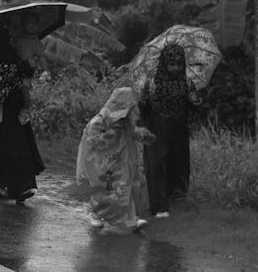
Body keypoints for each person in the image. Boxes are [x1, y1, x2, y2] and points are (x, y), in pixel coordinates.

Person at [0, 14, 45, 205]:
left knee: (13, 144)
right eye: (6, 27)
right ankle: (19, 187)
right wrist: (19, 67)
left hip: (14, 101)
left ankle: (3, 184)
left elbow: (21, 71)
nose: (10, 30)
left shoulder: (11, 45)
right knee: (14, 144)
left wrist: (27, 67)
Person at [76, 87, 155, 232]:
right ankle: (97, 213)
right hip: (102, 164)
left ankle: (130, 219)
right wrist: (107, 136)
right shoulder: (99, 121)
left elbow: (132, 133)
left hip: (121, 163)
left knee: (124, 190)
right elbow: (92, 141)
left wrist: (142, 134)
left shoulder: (126, 122)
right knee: (103, 190)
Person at [138, 44, 201, 218]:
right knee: (157, 165)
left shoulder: (187, 82)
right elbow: (142, 107)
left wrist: (195, 100)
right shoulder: (152, 81)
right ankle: (159, 206)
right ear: (164, 63)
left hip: (179, 127)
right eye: (172, 64)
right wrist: (142, 122)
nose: (176, 68)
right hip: (156, 127)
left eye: (179, 64)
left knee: (177, 163)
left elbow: (194, 107)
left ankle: (177, 199)